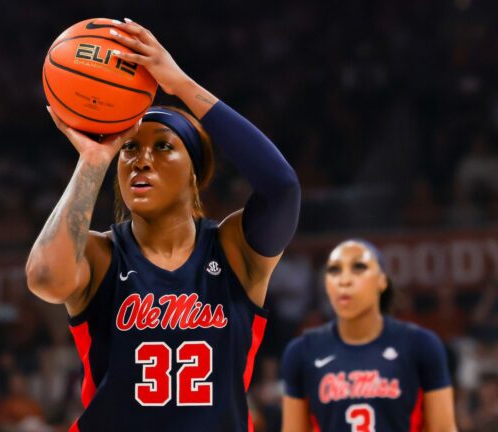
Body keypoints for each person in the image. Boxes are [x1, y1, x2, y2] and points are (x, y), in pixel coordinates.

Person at [26, 18, 300, 432]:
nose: (142, 158)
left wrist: (181, 86)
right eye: (130, 147)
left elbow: (282, 189)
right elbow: (45, 278)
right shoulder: (101, 255)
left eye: (164, 146)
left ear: (194, 173)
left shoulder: (231, 250)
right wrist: (93, 161)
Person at [280, 240, 456, 431]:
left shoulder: (420, 344)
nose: (344, 280)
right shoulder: (302, 350)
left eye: (359, 267)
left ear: (382, 281)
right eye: (334, 270)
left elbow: (443, 428)